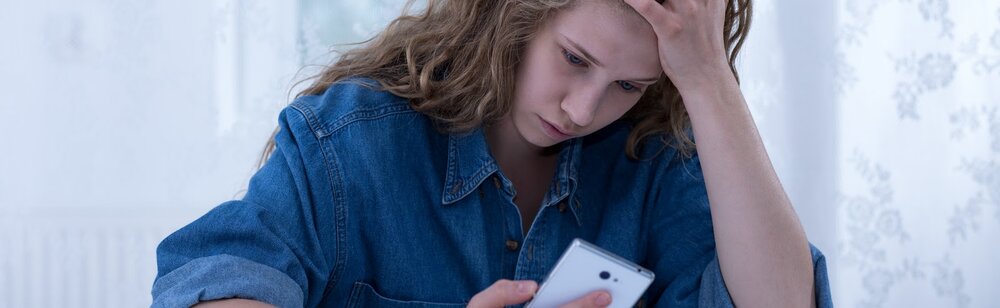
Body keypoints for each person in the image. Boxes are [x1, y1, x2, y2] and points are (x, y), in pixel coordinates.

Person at [152, 0, 833, 307]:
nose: (583, 110)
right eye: (574, 59)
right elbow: (219, 285)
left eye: (630, 84)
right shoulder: (351, 142)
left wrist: (708, 81)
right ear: (513, 14)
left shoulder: (651, 162)